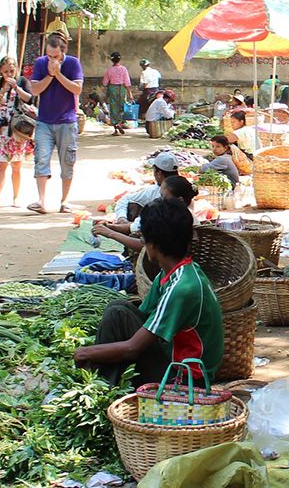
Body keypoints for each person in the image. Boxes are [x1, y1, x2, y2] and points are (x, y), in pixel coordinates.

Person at [75, 199, 224, 387]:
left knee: (116, 317)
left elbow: (132, 348)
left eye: (143, 240)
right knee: (118, 309)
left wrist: (85, 352)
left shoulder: (183, 287)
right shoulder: (173, 272)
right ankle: (105, 381)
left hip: (186, 379)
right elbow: (144, 317)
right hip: (170, 357)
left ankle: (103, 388)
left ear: (153, 245)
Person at [28, 32, 84, 214]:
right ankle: (41, 201)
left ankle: (65, 201)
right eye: (49, 55)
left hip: (67, 121)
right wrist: (50, 75)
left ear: (63, 52)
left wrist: (58, 74)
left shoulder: (73, 63)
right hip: (44, 120)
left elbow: (77, 89)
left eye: (56, 56)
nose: (52, 59)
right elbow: (35, 90)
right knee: (41, 159)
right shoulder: (40, 63)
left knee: (67, 161)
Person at [92, 175, 197, 253]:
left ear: (179, 200)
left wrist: (111, 233)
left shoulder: (178, 220)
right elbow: (133, 227)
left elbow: (147, 247)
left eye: (164, 197)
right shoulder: (167, 212)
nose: (160, 200)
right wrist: (109, 227)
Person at [0, 56, 34, 211]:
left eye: (11, 70)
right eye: (6, 71)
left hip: (17, 129)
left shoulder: (22, 82)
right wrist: (3, 91)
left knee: (17, 165)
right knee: (0, 165)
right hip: (0, 130)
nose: (9, 74)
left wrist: (17, 89)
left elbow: (30, 99)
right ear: (1, 71)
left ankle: (16, 196)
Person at [103, 52, 133, 136]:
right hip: (121, 89)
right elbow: (127, 82)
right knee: (121, 107)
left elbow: (105, 83)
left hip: (112, 89)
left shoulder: (109, 70)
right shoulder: (124, 69)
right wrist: (130, 93)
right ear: (120, 59)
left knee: (113, 108)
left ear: (112, 60)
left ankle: (116, 129)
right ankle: (120, 123)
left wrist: (106, 93)